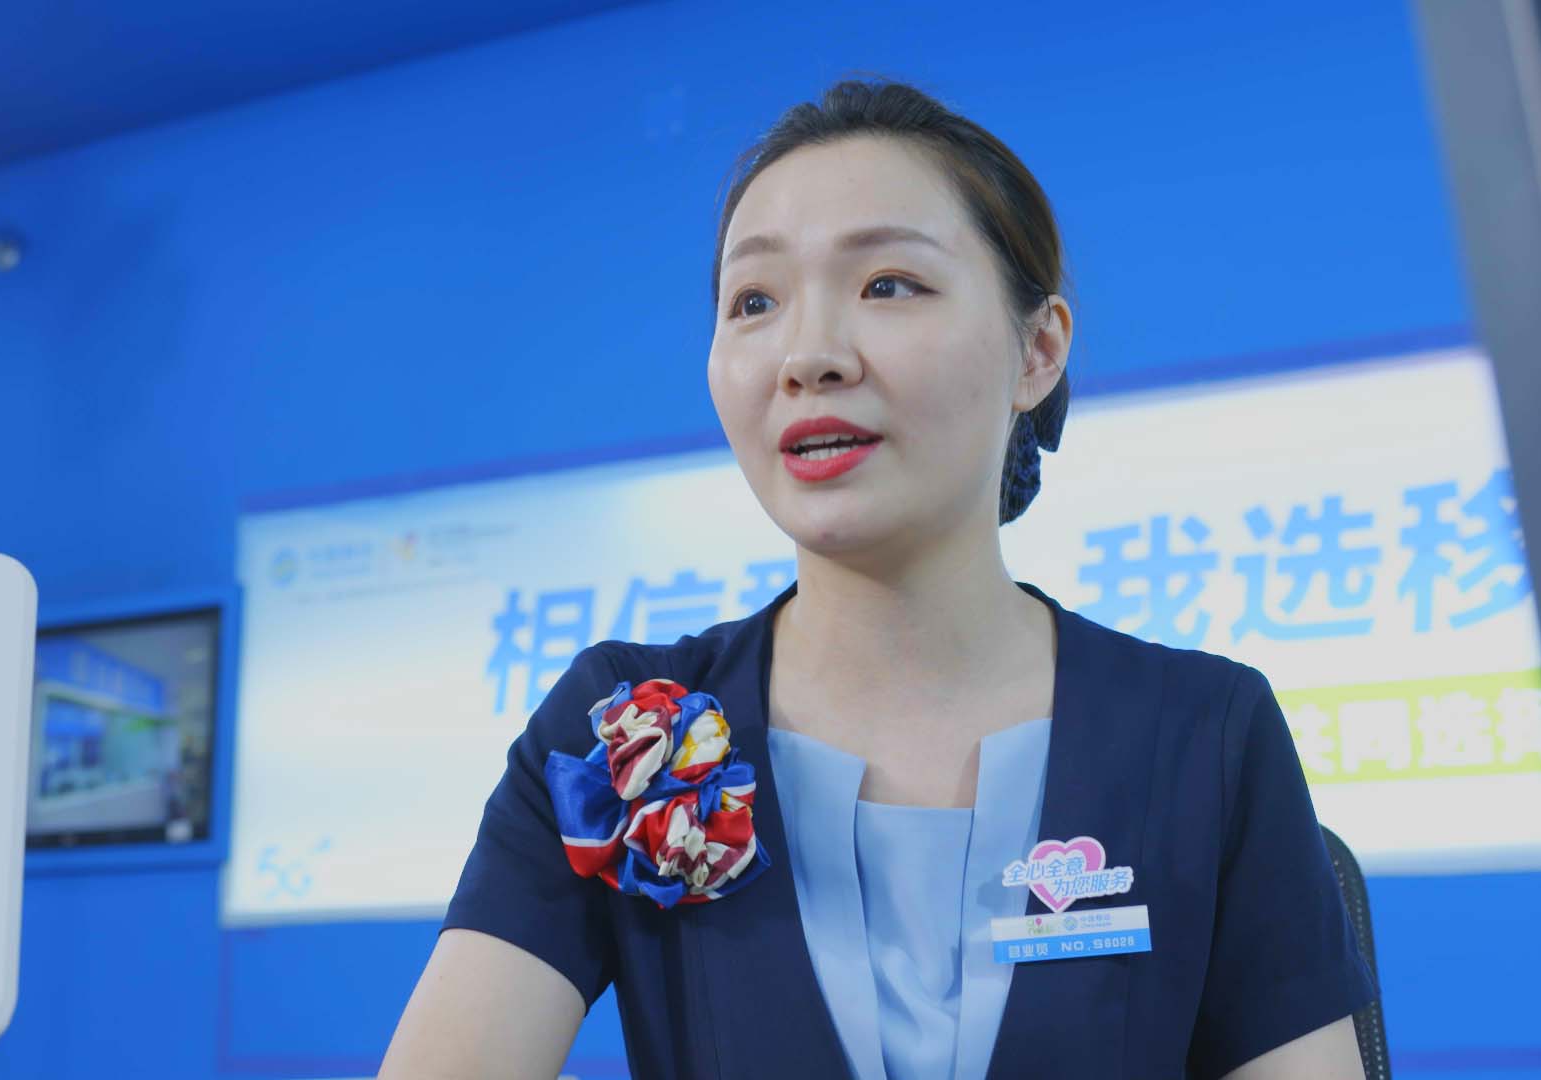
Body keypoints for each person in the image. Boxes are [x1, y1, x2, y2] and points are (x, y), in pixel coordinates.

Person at [379, 79, 1376, 1080]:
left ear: (1037, 351)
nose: (807, 356)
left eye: (888, 285)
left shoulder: (1207, 733)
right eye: (755, 301)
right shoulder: (620, 727)